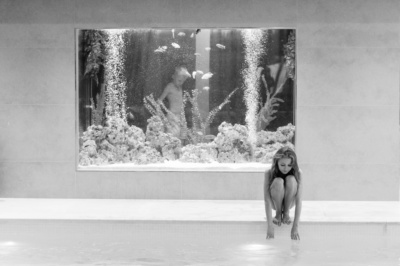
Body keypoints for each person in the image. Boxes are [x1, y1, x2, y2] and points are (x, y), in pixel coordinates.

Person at [264, 146, 302, 240]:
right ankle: (278, 213)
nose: (286, 168)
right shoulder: (269, 172)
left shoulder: (298, 172)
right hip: (275, 202)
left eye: (289, 165)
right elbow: (267, 200)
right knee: (278, 181)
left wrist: (295, 226)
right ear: (276, 162)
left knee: (291, 179)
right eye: (282, 165)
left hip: (290, 202)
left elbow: (299, 200)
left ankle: (286, 213)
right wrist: (269, 226)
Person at [158, 66, 191, 138]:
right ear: (173, 76)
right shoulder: (169, 86)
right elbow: (159, 100)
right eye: (179, 80)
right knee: (173, 135)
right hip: (172, 115)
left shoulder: (179, 87)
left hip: (181, 115)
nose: (181, 83)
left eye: (183, 81)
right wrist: (158, 113)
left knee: (183, 135)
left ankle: (182, 148)